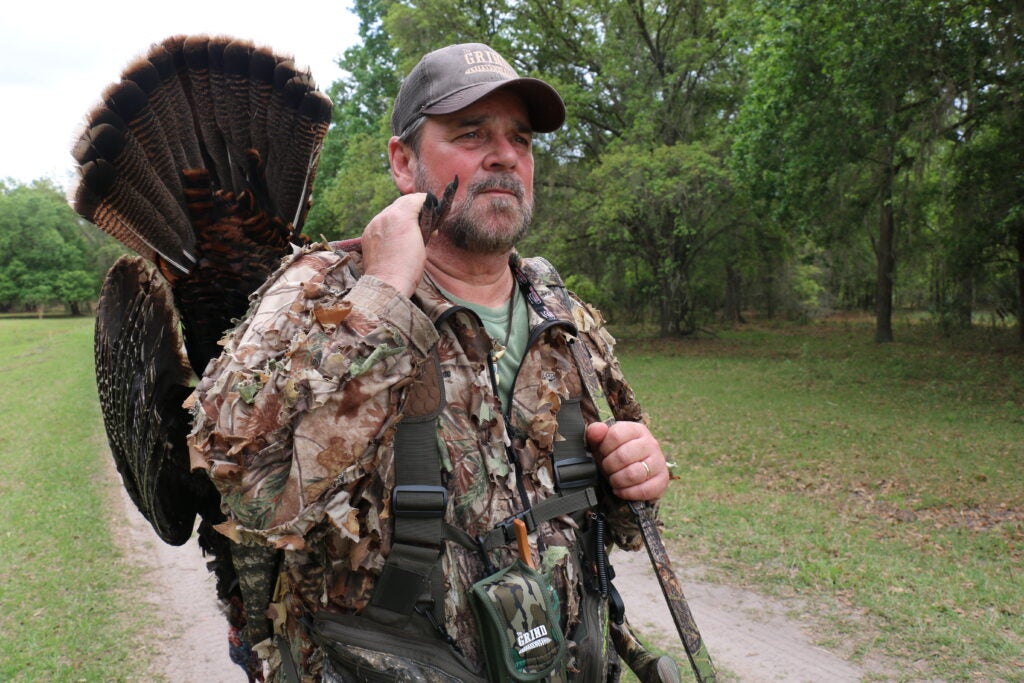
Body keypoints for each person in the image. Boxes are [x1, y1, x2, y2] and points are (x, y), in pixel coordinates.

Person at [187, 42, 672, 683]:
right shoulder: (318, 291)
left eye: (521, 140)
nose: (504, 156)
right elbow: (251, 496)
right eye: (471, 134)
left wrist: (634, 479)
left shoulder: (559, 313)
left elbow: (610, 525)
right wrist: (385, 294)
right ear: (403, 162)